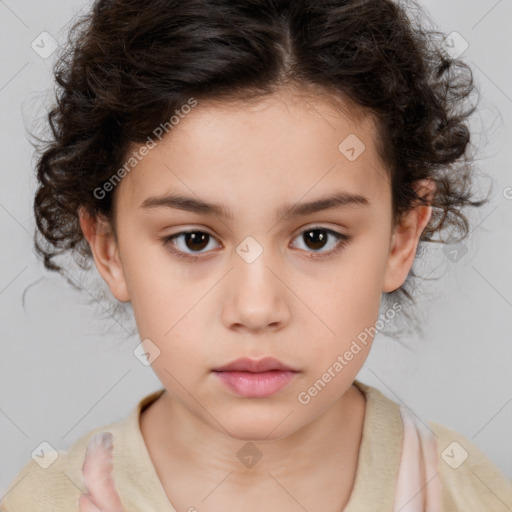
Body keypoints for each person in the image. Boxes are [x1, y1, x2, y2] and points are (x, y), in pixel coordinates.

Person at [2, 0, 511, 510]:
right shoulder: (46, 502)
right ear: (109, 249)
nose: (256, 309)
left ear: (401, 238)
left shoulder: (466, 494)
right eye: (194, 240)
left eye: (316, 238)